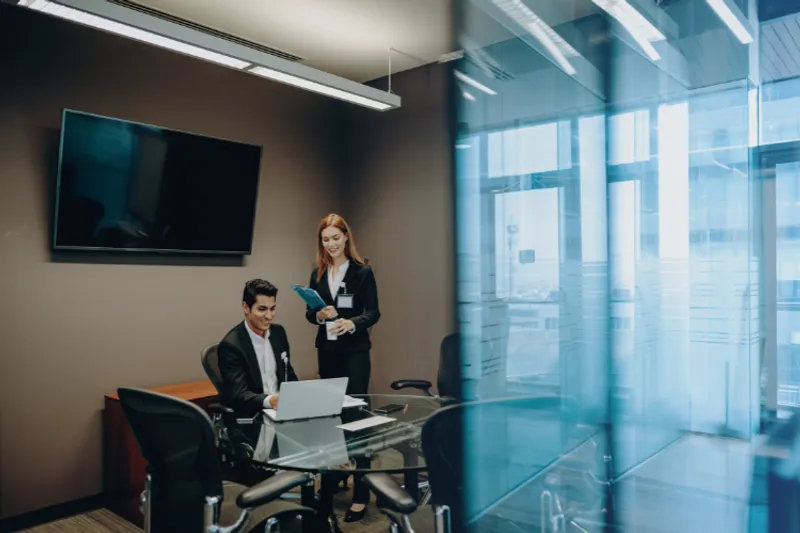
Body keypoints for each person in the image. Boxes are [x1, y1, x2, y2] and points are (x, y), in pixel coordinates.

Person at [305, 213, 381, 525]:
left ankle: (361, 492)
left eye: (336, 238)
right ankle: (334, 479)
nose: (332, 244)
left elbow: (374, 312)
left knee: (356, 419)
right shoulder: (318, 273)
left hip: (354, 354)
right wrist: (320, 315)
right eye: (326, 239)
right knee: (330, 418)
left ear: (346, 237)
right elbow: (311, 315)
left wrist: (353, 322)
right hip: (328, 352)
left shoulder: (363, 271)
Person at [219, 279, 298, 416]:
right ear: (246, 308)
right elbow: (239, 394)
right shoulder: (231, 345)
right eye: (262, 309)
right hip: (254, 416)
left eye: (272, 309)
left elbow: (288, 375)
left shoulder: (278, 333)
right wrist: (271, 401)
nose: (269, 316)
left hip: (284, 410)